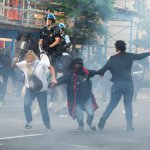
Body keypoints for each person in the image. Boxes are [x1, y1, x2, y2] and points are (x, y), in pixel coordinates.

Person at [97, 40, 150, 131]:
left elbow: (103, 70)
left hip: (117, 84)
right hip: (128, 84)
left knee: (112, 104)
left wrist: (99, 74)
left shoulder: (112, 59)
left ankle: (104, 117)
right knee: (128, 105)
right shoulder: (129, 56)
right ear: (124, 47)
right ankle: (129, 126)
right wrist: (148, 53)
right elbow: (140, 56)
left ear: (116, 48)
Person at [13, 50, 57, 130]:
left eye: (31, 61)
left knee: (43, 109)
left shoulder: (41, 63)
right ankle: (29, 122)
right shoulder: (24, 63)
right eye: (28, 60)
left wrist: (54, 79)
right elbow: (14, 66)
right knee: (26, 104)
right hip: (30, 89)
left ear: (34, 59)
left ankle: (48, 126)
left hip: (42, 90)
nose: (29, 62)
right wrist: (15, 60)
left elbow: (51, 68)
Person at [53, 58, 99, 131]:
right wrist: (54, 83)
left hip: (87, 98)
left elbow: (94, 72)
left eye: (79, 64)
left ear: (81, 65)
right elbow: (61, 79)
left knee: (91, 113)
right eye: (76, 64)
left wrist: (100, 72)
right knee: (79, 116)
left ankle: (89, 122)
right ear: (73, 65)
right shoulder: (70, 75)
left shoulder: (86, 72)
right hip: (76, 100)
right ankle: (81, 125)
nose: (77, 66)